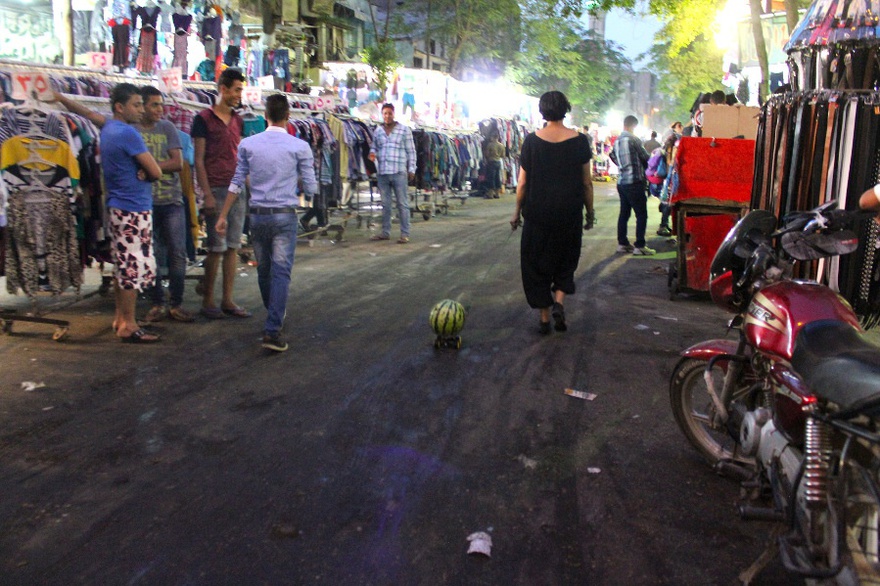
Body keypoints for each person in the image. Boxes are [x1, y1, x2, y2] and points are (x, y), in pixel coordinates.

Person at [52, 85, 163, 342]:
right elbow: (156, 171)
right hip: (133, 207)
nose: (142, 109)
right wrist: (147, 171)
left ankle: (121, 318)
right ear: (120, 107)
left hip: (118, 206)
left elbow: (89, 114)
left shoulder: (110, 127)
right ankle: (129, 324)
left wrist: (60, 98)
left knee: (122, 265)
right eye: (136, 104)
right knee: (131, 267)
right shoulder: (127, 133)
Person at [216, 94, 318, 352]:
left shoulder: (248, 145)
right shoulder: (299, 147)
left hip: (258, 215)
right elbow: (311, 186)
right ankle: (273, 328)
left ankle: (274, 312)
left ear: (264, 116)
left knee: (264, 270)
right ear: (288, 117)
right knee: (281, 271)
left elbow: (236, 182)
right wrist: (296, 184)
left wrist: (222, 215)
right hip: (284, 215)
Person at [509, 91, 595, 335]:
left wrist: (516, 212)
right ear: (565, 109)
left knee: (536, 264)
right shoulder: (579, 141)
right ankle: (559, 302)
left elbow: (522, 183)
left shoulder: (531, 141)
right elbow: (587, 183)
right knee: (565, 260)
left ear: (542, 111)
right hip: (569, 213)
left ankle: (545, 319)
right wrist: (589, 213)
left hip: (537, 214)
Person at [192, 68, 252, 319]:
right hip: (215, 189)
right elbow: (198, 159)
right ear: (223, 89)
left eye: (241, 90)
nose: (239, 95)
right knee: (216, 248)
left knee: (233, 247)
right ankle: (208, 301)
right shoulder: (203, 119)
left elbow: (241, 156)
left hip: (237, 190)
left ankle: (227, 300)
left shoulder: (239, 121)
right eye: (236, 89)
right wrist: (205, 193)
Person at [135, 86, 195, 324]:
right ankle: (158, 302)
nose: (160, 109)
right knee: (152, 254)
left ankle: (176, 302)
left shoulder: (168, 127)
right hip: (144, 202)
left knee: (177, 252)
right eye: (154, 105)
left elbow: (178, 163)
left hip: (171, 200)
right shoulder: (132, 130)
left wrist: (148, 168)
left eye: (161, 104)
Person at [368, 103, 416, 244]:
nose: (387, 116)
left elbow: (411, 151)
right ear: (382, 115)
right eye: (385, 114)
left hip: (399, 172)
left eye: (389, 113)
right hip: (383, 172)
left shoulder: (404, 130)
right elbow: (374, 147)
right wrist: (372, 154)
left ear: (394, 114)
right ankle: (385, 232)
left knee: (402, 203)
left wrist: (411, 169)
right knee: (385, 204)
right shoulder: (378, 131)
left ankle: (405, 233)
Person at [610, 115, 653, 255]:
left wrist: (623, 166)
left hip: (622, 182)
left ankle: (622, 243)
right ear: (633, 126)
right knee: (641, 214)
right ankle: (639, 246)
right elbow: (646, 158)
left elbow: (612, 156)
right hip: (634, 181)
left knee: (624, 213)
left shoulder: (617, 141)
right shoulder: (634, 139)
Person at [482, 134, 505, 198]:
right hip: (498, 162)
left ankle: (491, 194)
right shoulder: (501, 145)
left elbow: (487, 154)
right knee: (497, 178)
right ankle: (497, 194)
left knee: (491, 178)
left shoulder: (490, 145)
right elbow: (503, 155)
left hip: (491, 162)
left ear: (493, 137)